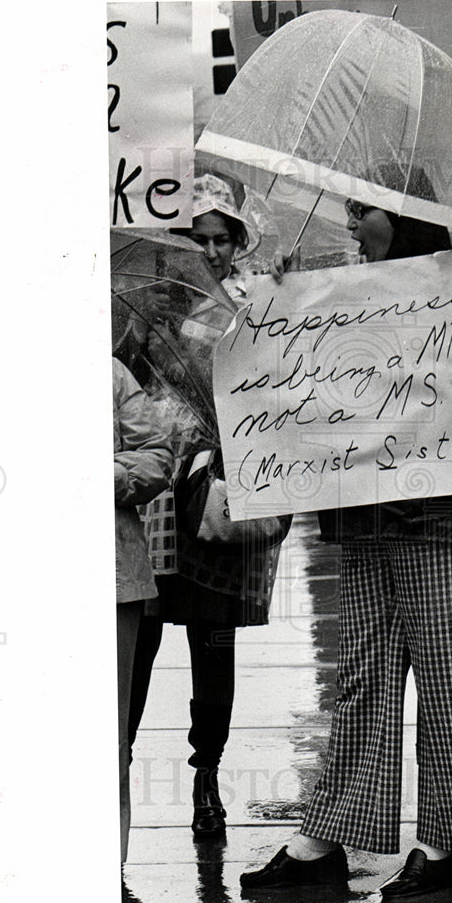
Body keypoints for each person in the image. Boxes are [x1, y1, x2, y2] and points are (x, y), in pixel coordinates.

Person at [240, 186, 452, 897]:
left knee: (446, 676)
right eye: (351, 210)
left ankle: (446, 851)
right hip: (358, 511)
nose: (352, 224)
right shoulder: (340, 288)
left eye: (365, 210)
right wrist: (282, 300)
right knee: (361, 675)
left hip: (439, 513)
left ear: (405, 216)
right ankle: (326, 836)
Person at [126, 175, 287, 840]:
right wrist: (139, 332)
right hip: (162, 493)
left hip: (225, 488)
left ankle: (206, 775)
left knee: (213, 641)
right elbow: (119, 388)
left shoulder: (255, 307)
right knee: (142, 637)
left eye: (223, 238)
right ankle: (119, 763)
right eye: (200, 238)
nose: (213, 250)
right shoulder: (149, 303)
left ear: (238, 242)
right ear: (180, 241)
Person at [113, 357, 173, 864]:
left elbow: (157, 458)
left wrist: (104, 472)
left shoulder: (109, 375)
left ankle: (108, 861)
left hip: (112, 577)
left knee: (109, 730)